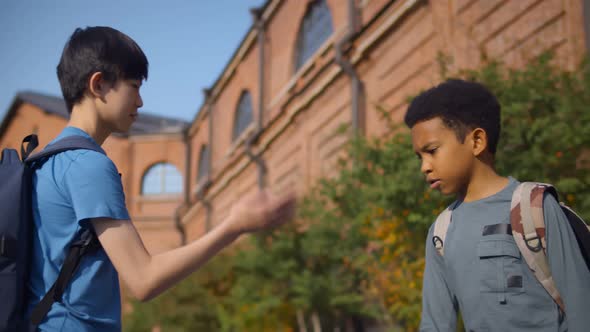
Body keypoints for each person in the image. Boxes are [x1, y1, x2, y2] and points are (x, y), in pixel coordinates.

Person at [26, 26, 296, 331]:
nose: (140, 102)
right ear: (98, 84)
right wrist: (235, 226)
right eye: (134, 86)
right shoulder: (88, 166)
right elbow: (144, 279)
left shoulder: (45, 161)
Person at [404, 79, 590, 331]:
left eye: (432, 150)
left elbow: (583, 309)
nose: (424, 166)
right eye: (420, 156)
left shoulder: (534, 207)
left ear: (477, 141)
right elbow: (435, 325)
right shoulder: (440, 233)